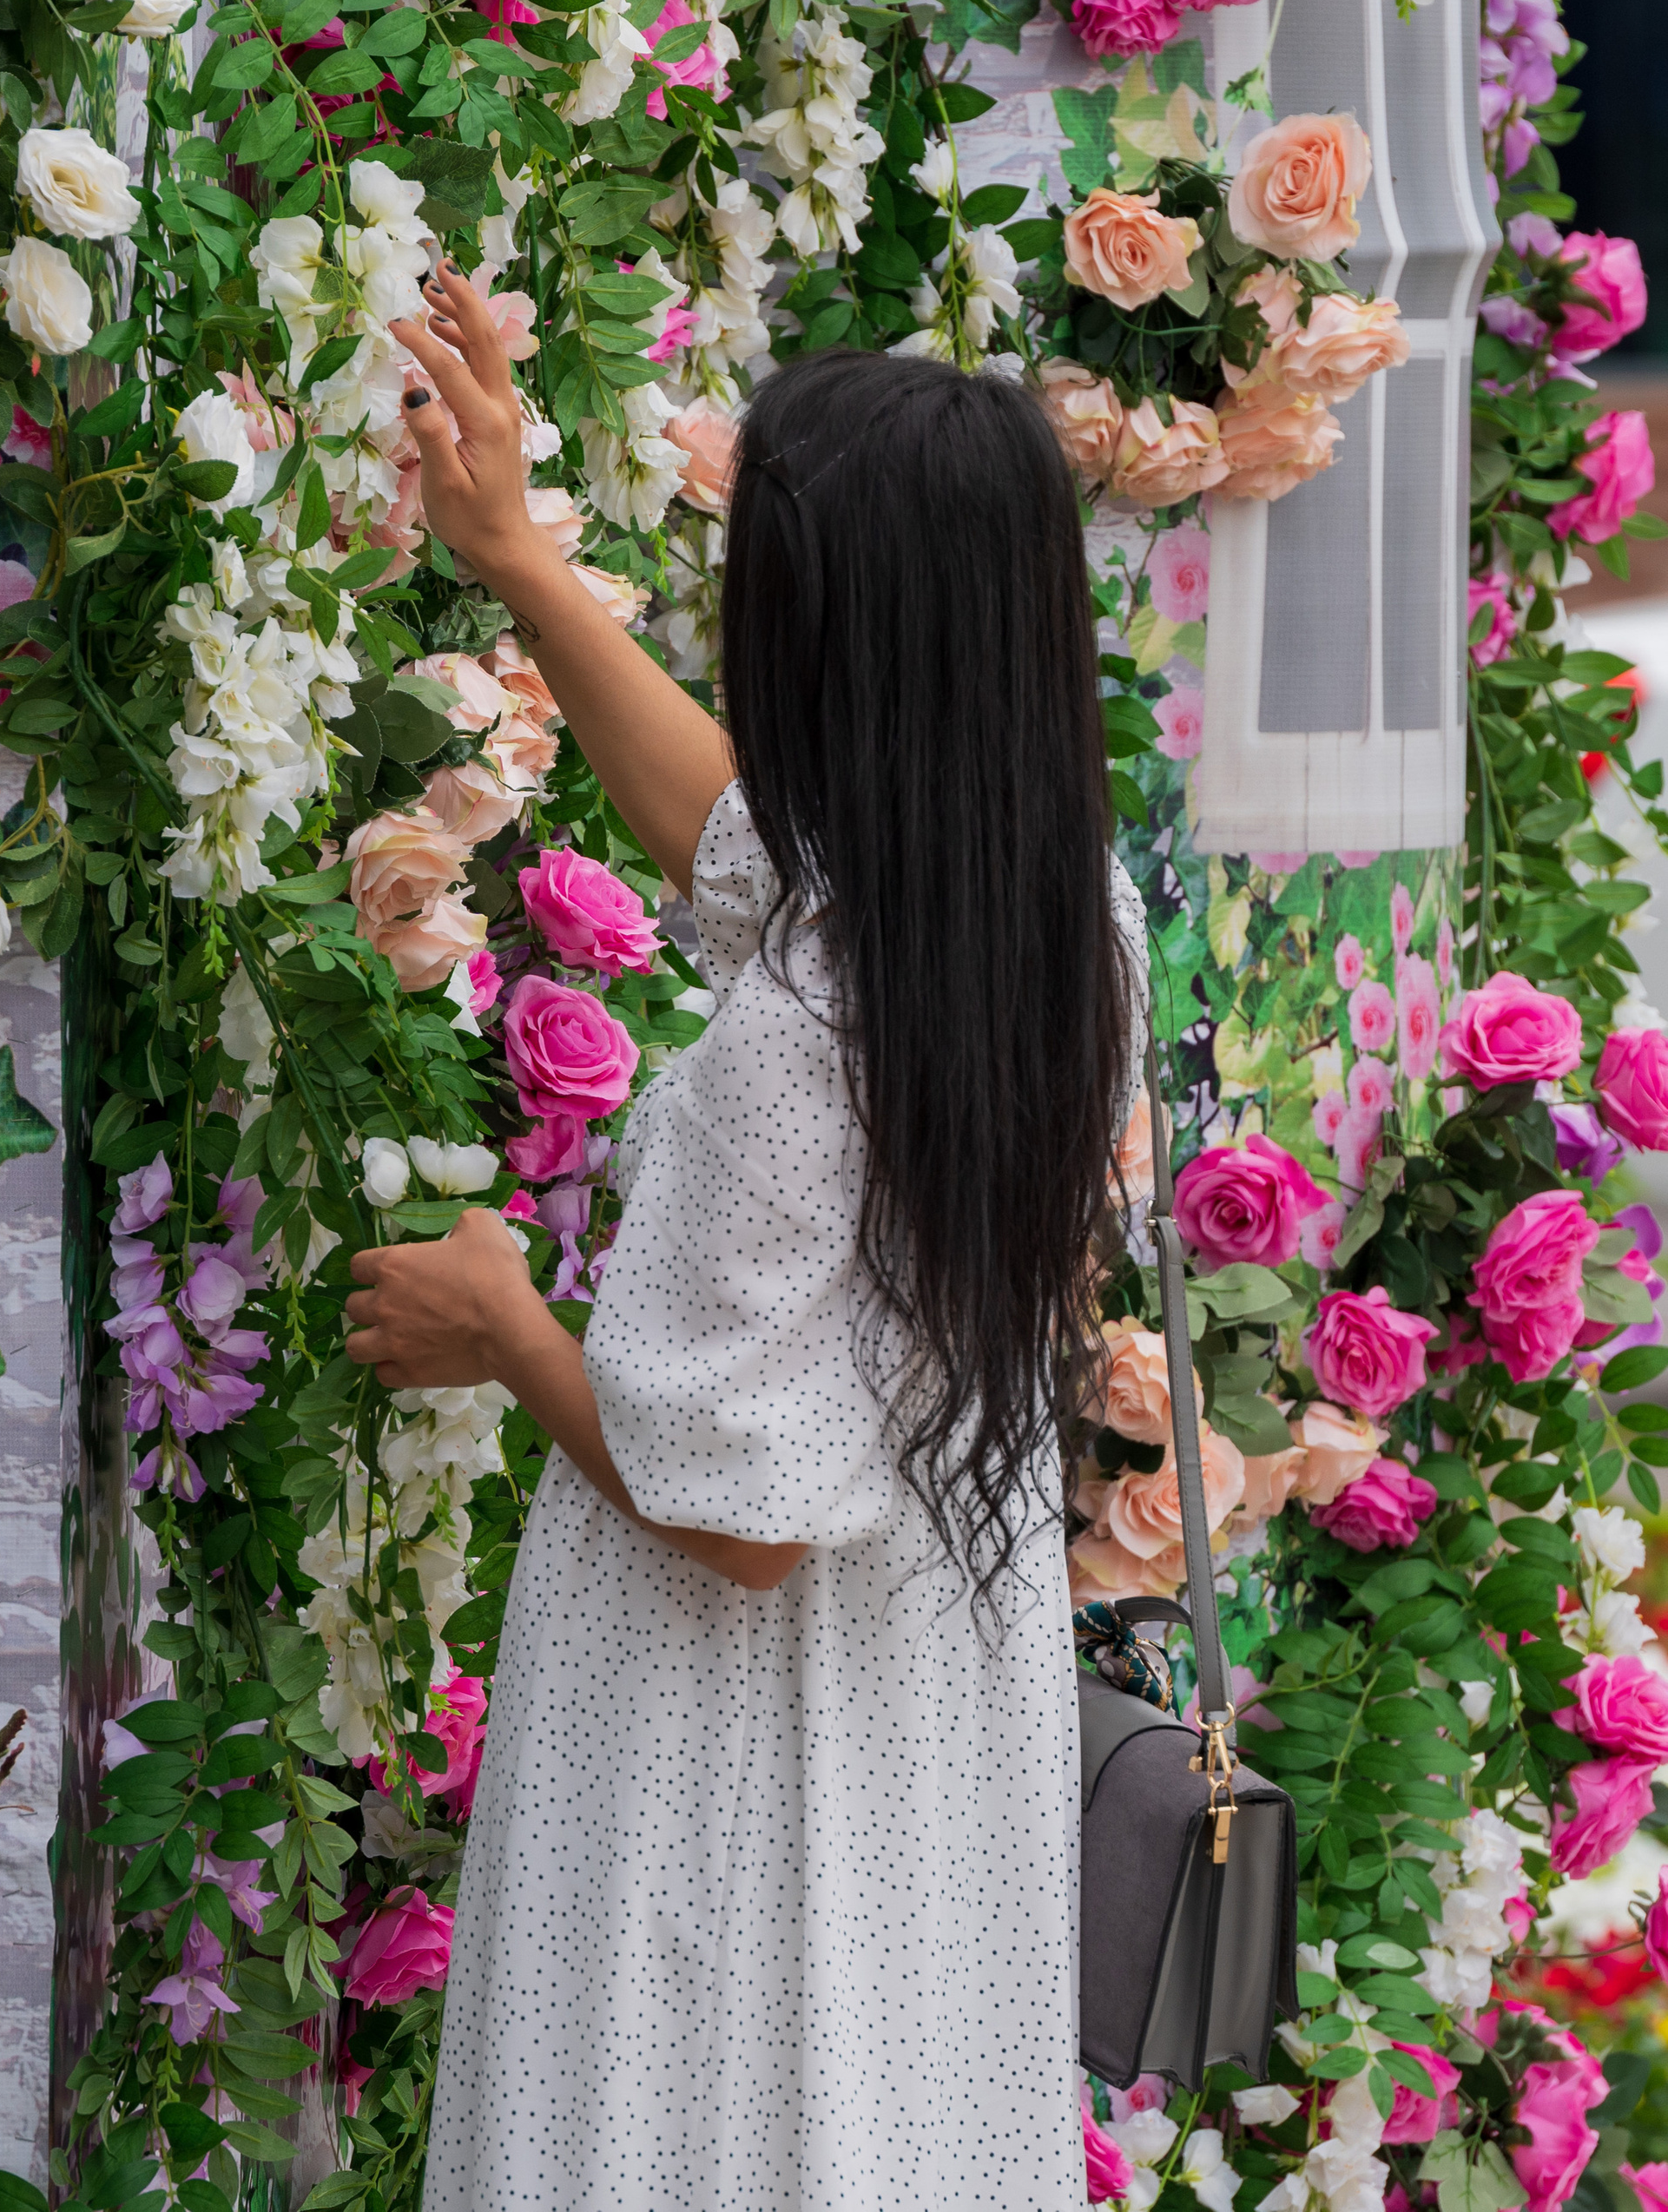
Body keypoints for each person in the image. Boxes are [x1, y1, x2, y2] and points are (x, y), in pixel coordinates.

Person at [344, 262, 1145, 2210]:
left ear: (820, 644)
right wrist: (523, 564)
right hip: (922, 1700)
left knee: (699, 2123)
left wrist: (510, 1330)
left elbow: (740, 1513)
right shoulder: (1047, 911)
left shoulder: (804, 1037)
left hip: (735, 1731)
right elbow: (733, 837)